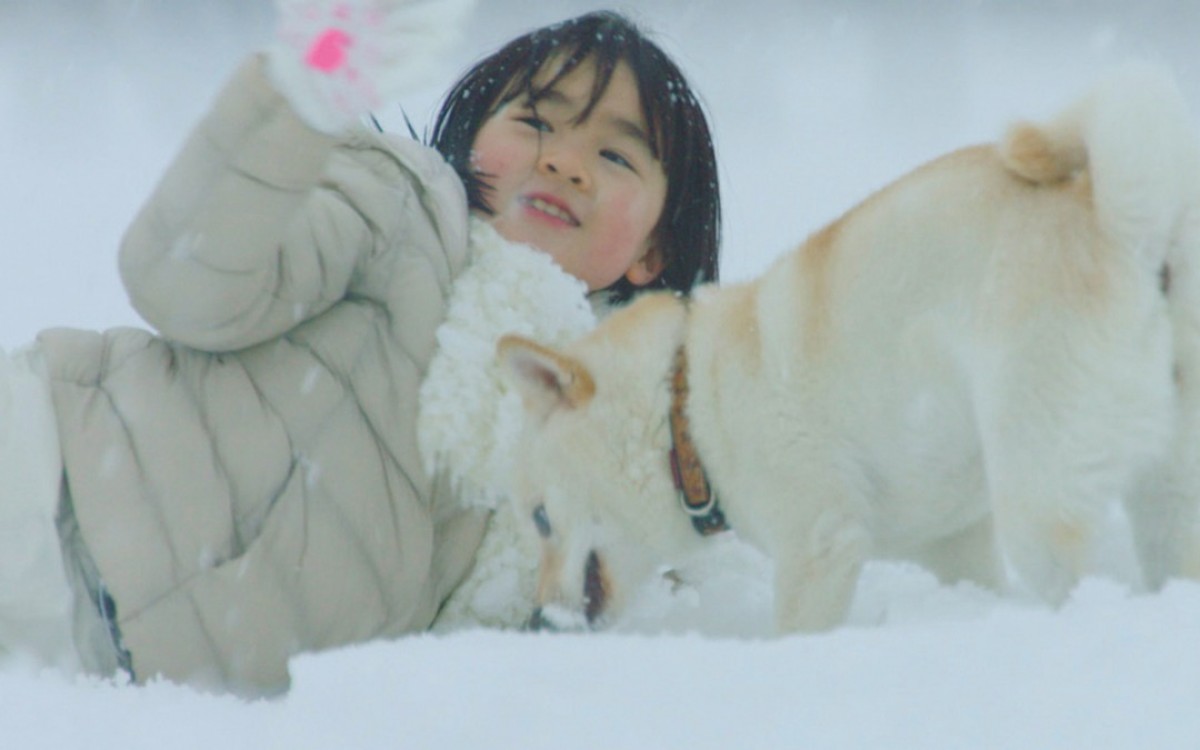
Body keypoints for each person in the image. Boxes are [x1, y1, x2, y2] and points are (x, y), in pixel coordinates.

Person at [0, 0, 720, 697]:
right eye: (535, 119)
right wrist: (298, 103)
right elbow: (185, 280)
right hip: (46, 483)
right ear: (471, 138)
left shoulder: (611, 437)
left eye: (616, 154)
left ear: (656, 246)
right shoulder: (399, 215)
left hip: (90, 658)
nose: (564, 161)